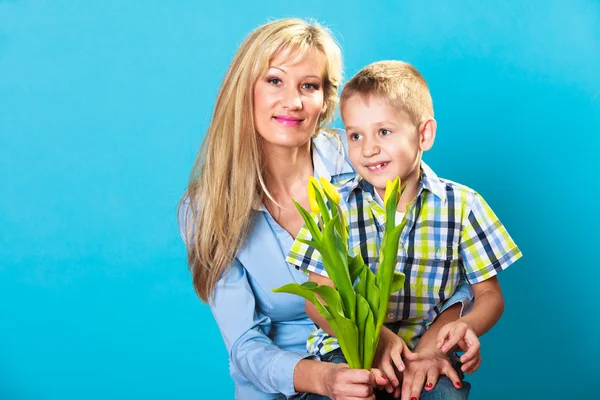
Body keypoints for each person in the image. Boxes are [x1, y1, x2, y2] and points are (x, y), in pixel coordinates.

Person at [178, 18, 391, 399]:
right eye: (275, 80)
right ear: (246, 90)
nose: (292, 102)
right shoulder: (205, 208)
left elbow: (438, 244)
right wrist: (324, 379)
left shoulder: (364, 155)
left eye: (308, 86)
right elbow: (243, 343)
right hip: (284, 389)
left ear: (326, 100)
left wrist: (439, 336)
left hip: (382, 370)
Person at [287, 60, 523, 400]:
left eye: (384, 132)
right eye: (355, 135)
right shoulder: (332, 204)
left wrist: (464, 327)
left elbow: (489, 296)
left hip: (426, 351)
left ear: (424, 134)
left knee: (444, 395)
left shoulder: (463, 205)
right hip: (347, 351)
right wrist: (376, 338)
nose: (368, 149)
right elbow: (318, 298)